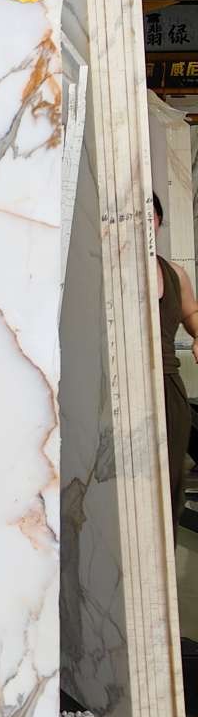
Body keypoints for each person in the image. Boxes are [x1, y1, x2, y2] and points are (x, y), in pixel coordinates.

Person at [154, 193, 198, 525]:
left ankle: (163, 552)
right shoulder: (101, 270)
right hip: (113, 385)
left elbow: (192, 314)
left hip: (168, 387)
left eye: (150, 215)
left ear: (158, 222)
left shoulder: (175, 274)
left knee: (169, 481)